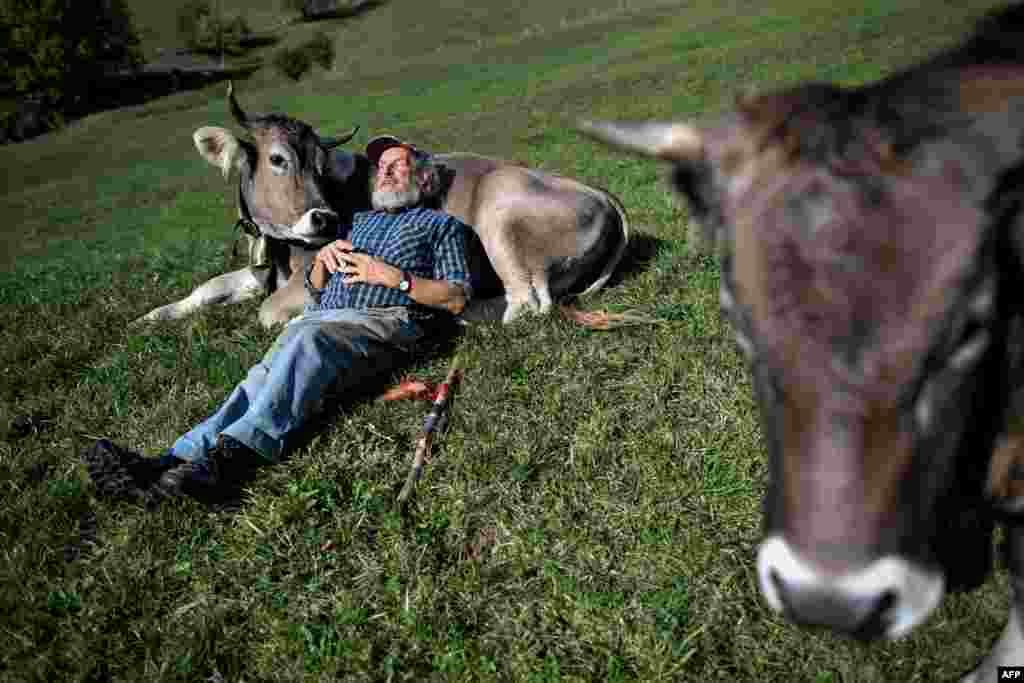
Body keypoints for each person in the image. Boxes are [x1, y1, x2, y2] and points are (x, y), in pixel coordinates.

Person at [82, 137, 473, 502]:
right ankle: (167, 462)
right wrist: (322, 262)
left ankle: (233, 460)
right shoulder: (357, 222)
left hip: (385, 321)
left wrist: (394, 278)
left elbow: (456, 297)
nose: (384, 172)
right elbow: (316, 290)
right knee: (258, 380)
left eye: (397, 165)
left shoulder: (443, 227)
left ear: (423, 178)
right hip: (323, 318)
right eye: (382, 166)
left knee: (307, 344)